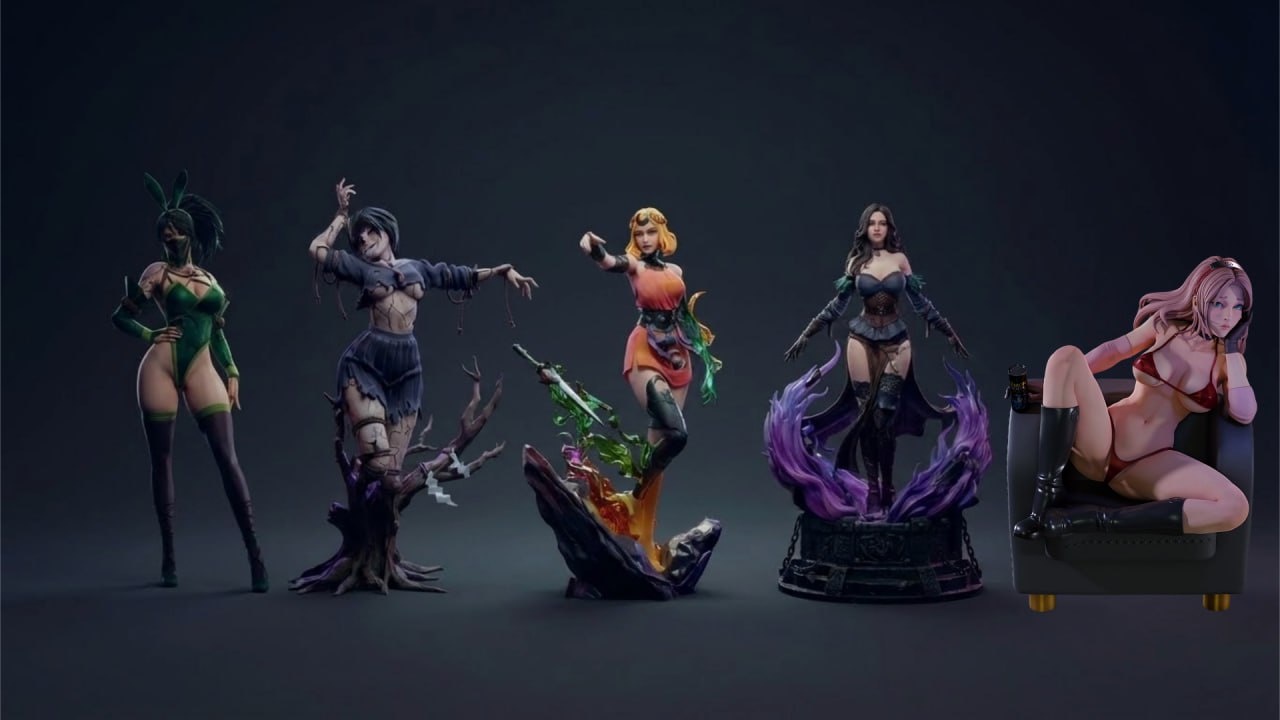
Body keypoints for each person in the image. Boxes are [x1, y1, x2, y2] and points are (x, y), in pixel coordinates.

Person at [309, 179, 537, 497]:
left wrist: (501, 270)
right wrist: (341, 215)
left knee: (391, 480)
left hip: (407, 369)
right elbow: (318, 250)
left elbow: (457, 275)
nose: (364, 239)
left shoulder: (416, 268)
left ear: (388, 232)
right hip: (366, 364)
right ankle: (361, 482)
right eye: (358, 237)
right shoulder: (360, 268)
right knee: (376, 461)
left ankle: (374, 517)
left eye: (371, 231)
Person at [1013, 256, 1253, 539]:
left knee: (1235, 507)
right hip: (1102, 439)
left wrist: (1233, 351)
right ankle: (1043, 505)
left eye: (1238, 307)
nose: (1228, 316)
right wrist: (1057, 385)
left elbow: (1243, 412)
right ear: (1200, 299)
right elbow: (1113, 351)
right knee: (1065, 357)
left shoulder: (1228, 363)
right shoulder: (1165, 327)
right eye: (1219, 304)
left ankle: (1091, 520)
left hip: (1150, 462)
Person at [112, 170, 268, 591]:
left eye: (176, 230)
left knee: (227, 456)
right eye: (164, 233)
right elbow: (120, 316)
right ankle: (169, 559)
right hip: (160, 366)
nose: (170, 237)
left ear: (189, 233)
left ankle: (255, 556)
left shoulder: (209, 280)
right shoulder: (157, 273)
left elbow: (216, 332)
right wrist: (149, 334)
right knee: (161, 459)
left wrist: (232, 370)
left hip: (201, 365)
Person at [784, 202, 968, 513]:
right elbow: (838, 304)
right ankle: (872, 489)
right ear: (865, 229)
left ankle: (888, 486)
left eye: (882, 223)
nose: (878, 228)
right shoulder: (856, 262)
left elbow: (920, 302)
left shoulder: (900, 260)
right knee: (867, 415)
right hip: (861, 339)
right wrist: (807, 333)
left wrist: (948, 332)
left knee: (885, 413)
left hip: (897, 340)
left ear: (889, 228)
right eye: (872, 223)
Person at [579, 207, 721, 566]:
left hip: (678, 354)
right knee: (676, 434)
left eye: (650, 232)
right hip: (646, 348)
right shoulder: (634, 266)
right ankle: (635, 496)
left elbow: (683, 314)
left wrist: (703, 351)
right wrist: (593, 249)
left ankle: (641, 534)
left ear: (661, 234)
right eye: (639, 234)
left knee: (658, 449)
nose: (644, 239)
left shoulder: (675, 271)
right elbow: (609, 262)